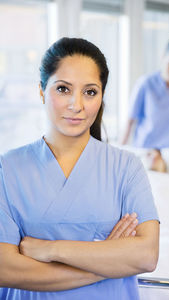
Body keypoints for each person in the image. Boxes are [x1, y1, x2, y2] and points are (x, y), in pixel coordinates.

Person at [0, 37, 159, 300]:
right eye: (63, 89)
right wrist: (107, 262)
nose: (77, 105)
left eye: (90, 91)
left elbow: (146, 255)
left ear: (102, 95)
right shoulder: (8, 169)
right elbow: (5, 268)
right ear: (41, 89)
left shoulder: (126, 168)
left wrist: (51, 250)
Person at [122, 37, 169, 171]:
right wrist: (119, 153)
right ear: (163, 57)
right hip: (147, 153)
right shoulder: (145, 84)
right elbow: (130, 121)